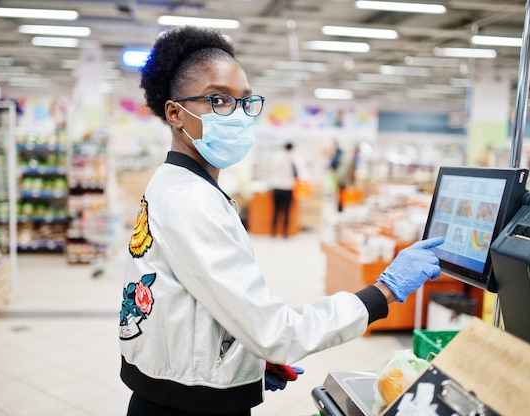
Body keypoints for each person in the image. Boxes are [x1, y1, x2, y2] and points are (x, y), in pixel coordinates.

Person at [119, 26, 444, 416]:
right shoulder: (191, 200)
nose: (237, 115)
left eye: (244, 101)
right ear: (175, 113)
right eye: (218, 100)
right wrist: (382, 292)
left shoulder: (173, 182)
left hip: (173, 390)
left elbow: (189, 305)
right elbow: (276, 332)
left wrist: (244, 362)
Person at [269, 142, 297, 238]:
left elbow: (271, 170)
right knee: (286, 211)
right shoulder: (292, 159)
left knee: (275, 210)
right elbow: (296, 174)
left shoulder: (276, 157)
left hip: (276, 187)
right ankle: (285, 233)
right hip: (287, 188)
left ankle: (273, 232)